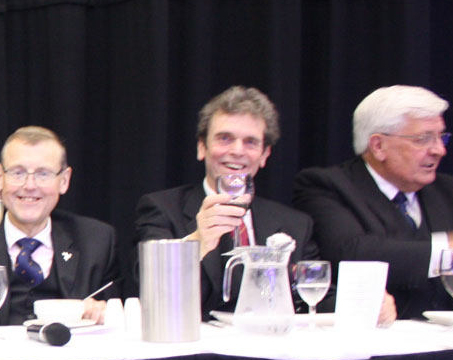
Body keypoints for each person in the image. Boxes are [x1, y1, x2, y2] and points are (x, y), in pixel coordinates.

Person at [134, 86, 327, 319]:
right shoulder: (162, 209)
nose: (237, 151)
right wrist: (197, 242)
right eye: (225, 138)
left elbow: (317, 294)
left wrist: (372, 302)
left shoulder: (295, 223)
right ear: (201, 147)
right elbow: (146, 288)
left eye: (250, 142)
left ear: (265, 155)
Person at [294, 85, 453, 319]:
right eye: (423, 139)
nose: (439, 150)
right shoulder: (326, 186)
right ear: (379, 146)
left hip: (449, 344)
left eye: (441, 137)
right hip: (372, 343)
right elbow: (354, 255)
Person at [0, 126, 119, 326]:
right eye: (18, 173)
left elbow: (117, 322)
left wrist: (102, 312)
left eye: (43, 174)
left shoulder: (97, 241)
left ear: (64, 180)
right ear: (0, 178)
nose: (29, 185)